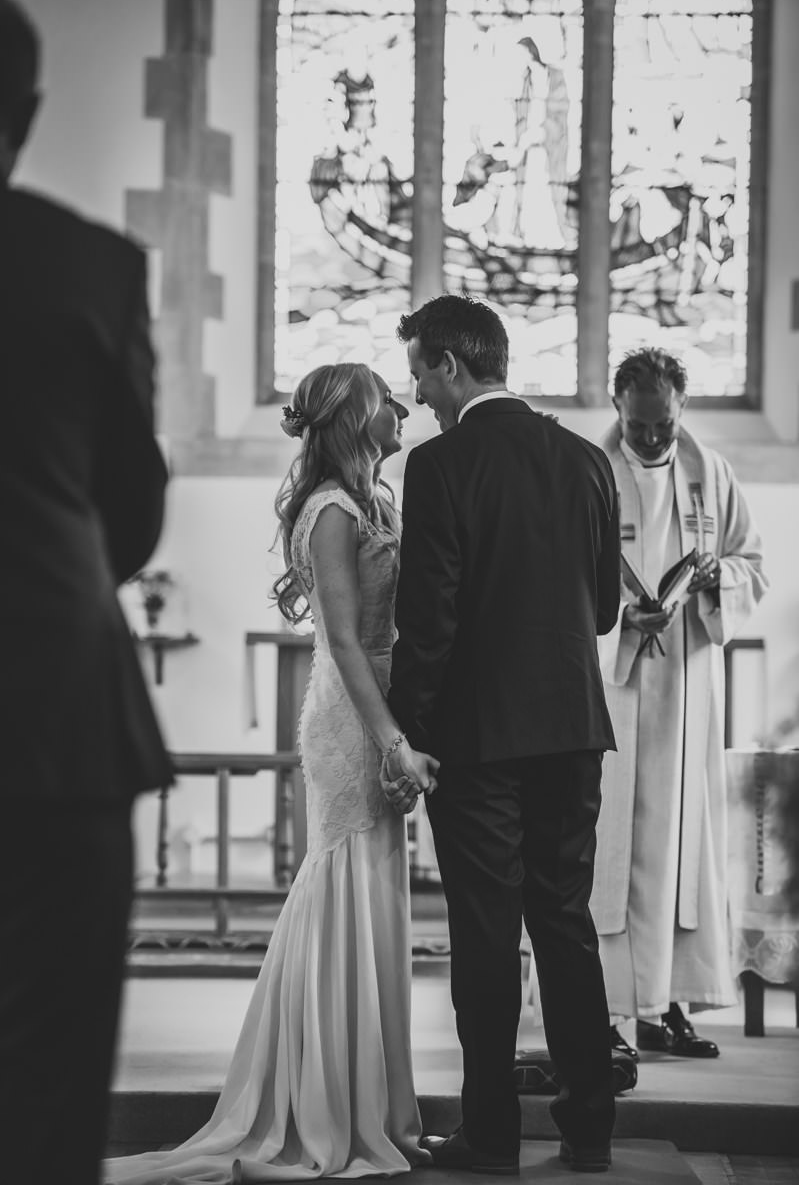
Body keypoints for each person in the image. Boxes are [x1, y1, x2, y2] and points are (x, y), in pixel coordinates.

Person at [104, 362, 439, 1184]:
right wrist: (393, 741)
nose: (401, 407)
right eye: (384, 400)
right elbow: (346, 641)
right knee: (345, 886)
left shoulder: (374, 501)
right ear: (358, 419)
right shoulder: (331, 511)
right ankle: (328, 1109)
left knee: (373, 894)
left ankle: (376, 1107)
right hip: (355, 720)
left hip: (384, 711)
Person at [0, 0, 172, 1185]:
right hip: (52, 707)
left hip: (57, 707)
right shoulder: (89, 265)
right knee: (50, 1088)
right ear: (26, 113)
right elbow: (134, 498)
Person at [388, 294, 620, 1175]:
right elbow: (600, 610)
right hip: (571, 730)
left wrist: (405, 736)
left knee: (485, 934)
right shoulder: (583, 460)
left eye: (419, 372)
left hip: (476, 740)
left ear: (451, 364)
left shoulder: (439, 465)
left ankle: (489, 1136)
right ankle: (589, 1131)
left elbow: (430, 619)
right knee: (564, 923)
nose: (419, 393)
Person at [592, 347, 769, 1060]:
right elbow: (559, 579)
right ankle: (606, 1015)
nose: (653, 441)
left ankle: (666, 1006)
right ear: (617, 410)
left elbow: (751, 564)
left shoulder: (712, 474)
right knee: (613, 851)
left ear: (680, 410)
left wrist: (711, 581)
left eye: (663, 426)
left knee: (677, 851)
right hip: (613, 688)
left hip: (688, 684)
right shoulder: (588, 474)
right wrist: (616, 621)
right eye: (639, 428)